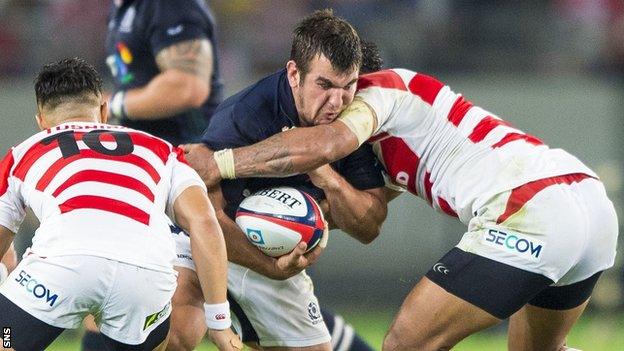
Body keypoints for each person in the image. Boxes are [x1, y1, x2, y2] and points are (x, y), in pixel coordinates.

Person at [184, 64, 618, 350]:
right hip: (588, 204)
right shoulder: (386, 153)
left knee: (404, 344)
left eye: (342, 91)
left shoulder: (382, 89)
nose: (333, 105)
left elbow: (324, 145)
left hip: (531, 210)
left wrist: (220, 163)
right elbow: (358, 217)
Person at [0, 58, 240, 351]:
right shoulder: (162, 150)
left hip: (60, 271)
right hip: (144, 283)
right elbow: (204, 222)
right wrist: (219, 322)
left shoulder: (23, 153)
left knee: (5, 340)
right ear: (103, 111)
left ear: (41, 122)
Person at [185, 10, 388, 351]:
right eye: (324, 85)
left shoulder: (348, 123)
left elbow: (369, 226)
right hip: (209, 245)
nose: (336, 102)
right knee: (177, 333)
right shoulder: (245, 116)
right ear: (294, 73)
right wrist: (271, 267)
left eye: (348, 86)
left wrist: (326, 177)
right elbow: (205, 219)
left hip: (274, 260)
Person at [98, 0, 225, 350]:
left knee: (177, 324)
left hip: (184, 170)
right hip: (146, 173)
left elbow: (188, 86)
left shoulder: (167, 5)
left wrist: (117, 105)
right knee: (105, 303)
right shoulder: (123, 8)